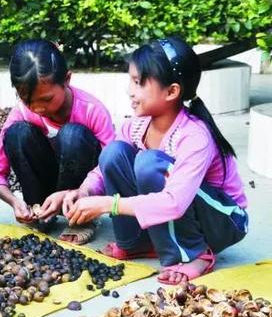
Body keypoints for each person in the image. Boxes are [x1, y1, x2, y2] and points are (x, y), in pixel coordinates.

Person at [41, 37, 248, 285]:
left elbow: (174, 203)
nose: (130, 90)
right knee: (114, 153)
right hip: (184, 209)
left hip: (222, 220)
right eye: (131, 80)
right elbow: (104, 168)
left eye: (139, 83)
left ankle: (194, 254)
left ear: (172, 91)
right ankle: (135, 243)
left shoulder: (194, 135)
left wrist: (109, 204)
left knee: (150, 165)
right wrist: (82, 192)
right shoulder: (137, 124)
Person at [0, 39, 115, 244]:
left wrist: (79, 192)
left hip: (81, 191)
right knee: (17, 133)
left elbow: (112, 167)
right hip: (44, 194)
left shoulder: (91, 110)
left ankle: (80, 217)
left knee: (72, 135)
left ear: (67, 80)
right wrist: (14, 202)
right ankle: (41, 213)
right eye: (28, 100)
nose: (37, 108)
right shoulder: (21, 113)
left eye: (46, 99)